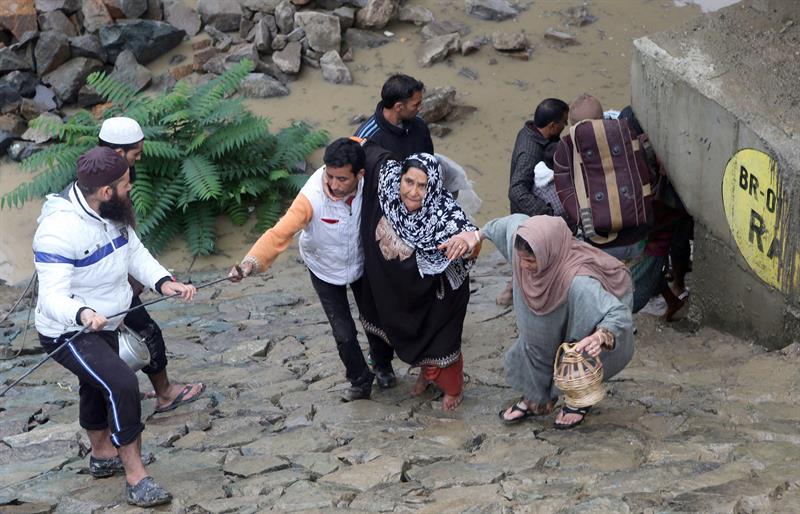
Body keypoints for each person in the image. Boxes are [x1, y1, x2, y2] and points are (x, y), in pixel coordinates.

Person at [33, 147, 197, 507]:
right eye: (125, 184)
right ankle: (137, 477)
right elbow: (51, 298)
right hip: (68, 330)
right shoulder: (58, 232)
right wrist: (83, 314)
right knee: (121, 382)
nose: (130, 189)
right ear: (106, 191)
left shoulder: (112, 211)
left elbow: (134, 252)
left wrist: (164, 282)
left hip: (110, 319)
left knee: (96, 383)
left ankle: (103, 455)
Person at [228, 138, 381, 401]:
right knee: (343, 333)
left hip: (361, 261)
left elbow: (365, 139)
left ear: (360, 174)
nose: (333, 185)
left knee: (375, 319)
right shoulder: (310, 198)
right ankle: (359, 380)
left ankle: (383, 364)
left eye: (342, 179)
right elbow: (280, 232)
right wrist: (249, 264)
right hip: (322, 267)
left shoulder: (372, 175)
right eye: (329, 176)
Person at [480, 214, 635, 429]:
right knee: (536, 342)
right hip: (548, 319)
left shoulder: (579, 283)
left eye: (531, 260)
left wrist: (600, 335)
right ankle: (536, 396)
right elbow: (508, 223)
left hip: (582, 314)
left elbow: (616, 313)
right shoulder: (522, 251)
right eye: (521, 259)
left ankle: (577, 400)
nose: (523, 266)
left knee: (578, 351)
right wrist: (477, 236)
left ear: (547, 255)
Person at [98, 116, 205, 413]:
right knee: (146, 333)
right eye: (136, 154)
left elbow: (128, 241)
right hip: (104, 284)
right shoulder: (105, 191)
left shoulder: (104, 176)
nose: (139, 159)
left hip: (117, 279)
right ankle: (165, 393)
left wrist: (156, 278)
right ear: (118, 153)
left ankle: (122, 396)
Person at [358, 152, 480, 410]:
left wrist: (467, 243)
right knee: (408, 332)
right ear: (399, 178)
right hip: (404, 290)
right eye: (408, 182)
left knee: (438, 342)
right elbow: (369, 152)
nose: (413, 192)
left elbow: (472, 244)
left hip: (438, 296)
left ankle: (453, 388)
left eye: (422, 185)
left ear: (433, 186)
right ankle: (425, 374)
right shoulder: (388, 187)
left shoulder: (448, 216)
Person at [498, 98, 569, 306]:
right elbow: (516, 190)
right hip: (529, 215)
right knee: (530, 258)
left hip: (533, 212)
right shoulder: (530, 150)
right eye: (564, 122)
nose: (566, 125)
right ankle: (517, 293)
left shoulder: (532, 133)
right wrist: (546, 213)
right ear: (552, 126)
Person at [355, 74, 433, 160]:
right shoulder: (366, 139)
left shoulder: (419, 124)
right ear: (399, 107)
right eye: (416, 105)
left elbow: (430, 161)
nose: (420, 108)